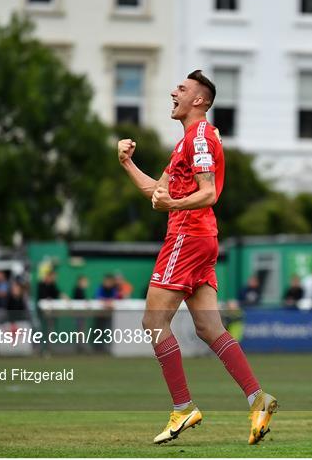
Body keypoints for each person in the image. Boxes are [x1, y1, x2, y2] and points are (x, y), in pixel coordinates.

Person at [117, 70, 277, 446]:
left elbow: (208, 194)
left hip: (187, 236)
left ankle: (183, 406)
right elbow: (158, 192)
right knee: (209, 328)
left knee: (153, 321)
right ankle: (258, 398)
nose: (174, 91)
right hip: (201, 238)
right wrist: (126, 163)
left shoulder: (201, 137)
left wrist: (174, 203)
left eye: (183, 89)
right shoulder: (186, 142)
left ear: (200, 101)